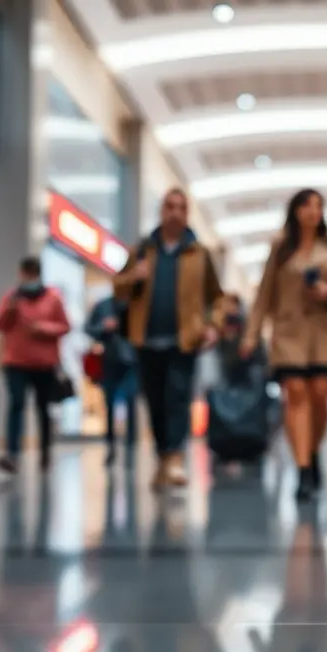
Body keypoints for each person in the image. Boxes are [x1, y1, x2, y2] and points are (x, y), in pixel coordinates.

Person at [242, 189, 327, 501]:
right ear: (295, 210)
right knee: (295, 393)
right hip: (289, 331)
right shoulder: (280, 250)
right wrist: (251, 334)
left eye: (319, 205)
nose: (313, 211)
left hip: (324, 332)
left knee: (320, 393)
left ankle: (313, 449)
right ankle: (304, 470)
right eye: (307, 204)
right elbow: (264, 295)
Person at [113, 187, 225, 490]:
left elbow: (217, 298)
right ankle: (164, 458)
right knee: (155, 403)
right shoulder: (142, 250)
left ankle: (175, 459)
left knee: (178, 398)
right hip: (146, 340)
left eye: (180, 207)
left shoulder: (199, 254)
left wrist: (213, 325)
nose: (174, 212)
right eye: (169, 206)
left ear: (187, 213)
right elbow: (117, 288)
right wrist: (133, 277)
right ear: (161, 211)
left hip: (183, 341)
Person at [0, 256, 70, 473]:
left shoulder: (53, 298)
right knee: (16, 404)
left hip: (44, 364)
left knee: (42, 408)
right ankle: (12, 454)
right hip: (15, 362)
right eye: (25, 275)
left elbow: (65, 326)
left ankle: (45, 451)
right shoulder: (12, 297)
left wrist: (43, 328)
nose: (27, 279)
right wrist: (10, 308)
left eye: (31, 275)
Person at [86, 286, 139, 467]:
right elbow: (88, 328)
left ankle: (131, 448)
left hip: (131, 361)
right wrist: (104, 326)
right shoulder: (103, 306)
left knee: (131, 403)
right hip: (109, 360)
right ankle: (110, 446)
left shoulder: (137, 304)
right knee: (108, 404)